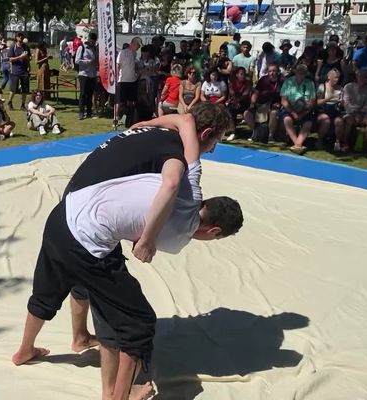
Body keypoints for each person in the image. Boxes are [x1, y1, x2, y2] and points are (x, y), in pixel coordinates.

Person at [12, 103, 242, 400]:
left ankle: (29, 349)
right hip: (87, 230)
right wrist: (146, 239)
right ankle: (116, 395)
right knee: (135, 322)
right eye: (213, 143)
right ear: (206, 133)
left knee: (58, 283)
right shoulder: (178, 162)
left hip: (66, 210)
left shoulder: (155, 130)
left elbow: (183, 119)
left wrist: (147, 119)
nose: (210, 150)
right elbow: (172, 183)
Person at [280, 64, 316, 154]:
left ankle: (297, 145)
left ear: (305, 74)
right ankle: (298, 144)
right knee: (287, 119)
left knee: (308, 122)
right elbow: (283, 100)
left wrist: (303, 113)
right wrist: (293, 113)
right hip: (290, 108)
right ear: (295, 72)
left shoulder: (310, 83)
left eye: (303, 73)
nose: (300, 74)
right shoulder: (288, 82)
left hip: (304, 109)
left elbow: (312, 101)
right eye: (299, 72)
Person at [244, 63, 283, 143]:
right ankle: (255, 131)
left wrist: (280, 104)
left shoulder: (282, 80)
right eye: (270, 71)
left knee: (274, 113)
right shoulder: (263, 79)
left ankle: (271, 136)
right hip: (260, 104)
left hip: (274, 105)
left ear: (278, 71)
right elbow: (255, 93)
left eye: (274, 71)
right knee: (247, 113)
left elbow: (285, 96)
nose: (272, 73)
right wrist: (252, 104)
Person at [342, 68, 367, 152]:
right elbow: (346, 103)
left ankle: (364, 143)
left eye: (366, 77)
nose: (364, 79)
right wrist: (354, 113)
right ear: (357, 77)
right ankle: (344, 142)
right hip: (349, 111)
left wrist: (361, 114)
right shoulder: (348, 87)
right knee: (350, 120)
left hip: (362, 113)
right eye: (362, 77)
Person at [315, 69, 344, 151]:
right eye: (335, 77)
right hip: (323, 111)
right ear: (329, 77)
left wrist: (342, 103)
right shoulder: (322, 87)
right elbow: (317, 102)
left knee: (339, 121)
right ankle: (319, 140)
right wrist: (328, 99)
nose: (337, 79)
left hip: (335, 111)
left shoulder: (340, 89)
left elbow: (342, 105)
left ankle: (337, 143)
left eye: (338, 78)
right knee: (326, 120)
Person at [115, 37, 141, 126]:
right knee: (120, 101)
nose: (139, 47)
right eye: (138, 45)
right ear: (133, 44)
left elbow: (134, 66)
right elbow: (118, 65)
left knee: (131, 101)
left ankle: (128, 118)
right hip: (123, 80)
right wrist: (117, 77)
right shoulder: (123, 53)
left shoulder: (134, 54)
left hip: (132, 80)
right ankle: (116, 118)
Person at [76, 32, 98, 120]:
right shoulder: (82, 48)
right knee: (83, 94)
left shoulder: (95, 49)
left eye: (94, 41)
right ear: (88, 39)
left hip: (92, 74)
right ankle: (81, 112)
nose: (93, 43)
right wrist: (88, 62)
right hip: (83, 74)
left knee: (90, 94)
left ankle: (89, 112)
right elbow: (77, 61)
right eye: (92, 41)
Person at [225, 67, 252, 140]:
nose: (243, 76)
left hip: (245, 103)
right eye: (241, 74)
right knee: (229, 110)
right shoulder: (232, 82)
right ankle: (233, 132)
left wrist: (238, 101)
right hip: (234, 102)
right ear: (237, 75)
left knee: (234, 109)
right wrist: (235, 101)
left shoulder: (248, 82)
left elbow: (245, 95)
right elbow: (232, 93)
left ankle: (253, 132)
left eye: (244, 74)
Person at [8, 32, 30, 111]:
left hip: (24, 70)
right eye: (19, 36)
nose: (21, 37)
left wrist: (27, 59)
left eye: (22, 36)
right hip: (15, 70)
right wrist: (20, 56)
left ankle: (23, 105)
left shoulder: (26, 47)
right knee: (13, 89)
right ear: (16, 38)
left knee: (25, 89)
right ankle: (10, 102)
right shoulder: (13, 47)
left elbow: (28, 59)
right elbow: (10, 59)